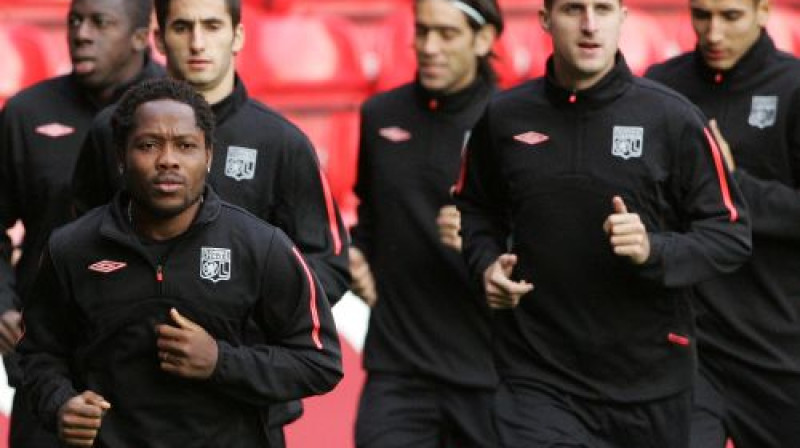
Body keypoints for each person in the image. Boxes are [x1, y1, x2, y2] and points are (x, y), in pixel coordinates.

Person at [453, 0, 753, 445]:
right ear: (545, 20)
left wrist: (654, 249)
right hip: (538, 377)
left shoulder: (672, 118)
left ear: (622, 18)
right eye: (574, 9)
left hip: (650, 383)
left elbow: (730, 234)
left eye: (603, 8)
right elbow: (477, 209)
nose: (590, 25)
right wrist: (486, 263)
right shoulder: (504, 117)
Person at [70, 0, 351, 443]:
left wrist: (230, 341)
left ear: (237, 36)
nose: (198, 42)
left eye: (212, 26)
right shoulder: (113, 132)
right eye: (183, 27)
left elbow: (329, 264)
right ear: (160, 39)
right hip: (127, 414)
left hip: (246, 409)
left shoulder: (282, 142)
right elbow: (80, 249)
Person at [18, 77, 342, 447]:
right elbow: (38, 354)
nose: (167, 159)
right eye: (148, 145)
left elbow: (319, 363)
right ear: (121, 157)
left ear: (208, 156)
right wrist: (61, 404)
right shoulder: (71, 249)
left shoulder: (261, 247)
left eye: (185, 145)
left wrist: (221, 361)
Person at [0, 0, 163, 445]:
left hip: (153, 374)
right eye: (74, 21)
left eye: (99, 22)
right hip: (48, 363)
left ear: (139, 34)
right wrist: (2, 306)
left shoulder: (179, 112)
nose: (81, 34)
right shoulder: (27, 112)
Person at [646, 0, 800, 446]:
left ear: (763, 11)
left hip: (777, 350)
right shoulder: (662, 87)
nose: (713, 32)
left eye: (730, 16)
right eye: (701, 15)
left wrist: (732, 186)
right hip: (691, 349)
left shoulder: (793, 87)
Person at [349, 0, 502, 446]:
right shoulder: (380, 115)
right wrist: (356, 255)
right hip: (399, 368)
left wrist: (483, 237)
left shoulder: (514, 123)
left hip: (490, 372)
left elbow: (546, 245)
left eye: (447, 34)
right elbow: (371, 219)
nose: (429, 47)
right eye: (422, 31)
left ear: (484, 39)